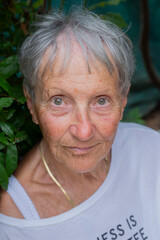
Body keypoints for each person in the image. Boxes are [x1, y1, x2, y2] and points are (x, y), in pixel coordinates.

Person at [0, 7, 160, 240]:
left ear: (123, 99)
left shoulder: (150, 151)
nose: (83, 131)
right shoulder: (13, 222)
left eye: (101, 101)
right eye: (59, 101)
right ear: (32, 105)